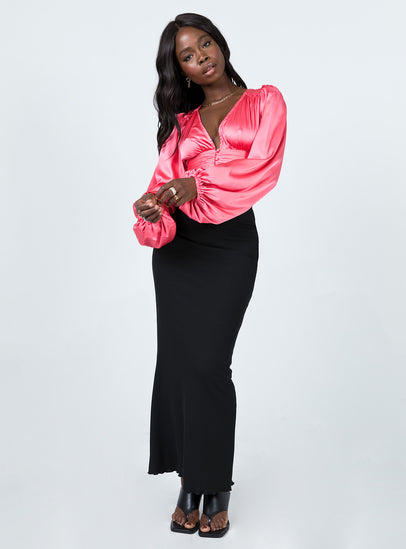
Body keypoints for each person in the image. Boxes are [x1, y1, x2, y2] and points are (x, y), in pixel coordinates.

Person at [132, 13, 287, 538]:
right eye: (187, 56)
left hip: (230, 247)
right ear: (181, 71)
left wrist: (195, 184)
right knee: (180, 363)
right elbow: (162, 187)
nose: (201, 57)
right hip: (180, 252)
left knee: (209, 365)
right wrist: (152, 207)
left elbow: (262, 166)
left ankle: (214, 483)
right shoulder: (181, 126)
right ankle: (189, 482)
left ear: (220, 43)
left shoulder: (264, 102)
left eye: (205, 44)